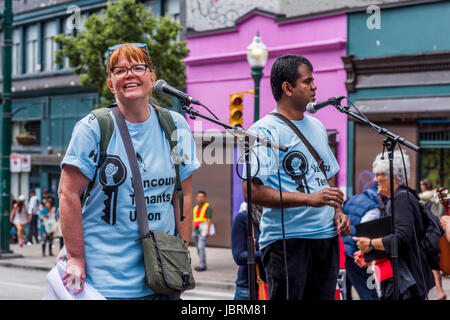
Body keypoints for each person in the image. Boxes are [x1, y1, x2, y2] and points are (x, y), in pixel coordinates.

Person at [58, 43, 200, 299]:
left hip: (162, 280)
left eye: (138, 67)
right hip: (106, 285)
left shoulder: (175, 125)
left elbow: (183, 195)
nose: (130, 74)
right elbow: (67, 194)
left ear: (152, 76)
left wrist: (181, 251)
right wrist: (75, 258)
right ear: (111, 84)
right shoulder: (93, 128)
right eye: (120, 70)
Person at [242, 54, 350, 300]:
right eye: (307, 81)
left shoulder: (318, 126)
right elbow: (252, 192)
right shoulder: (263, 130)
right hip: (287, 242)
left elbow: (327, 179)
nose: (314, 87)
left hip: (326, 239)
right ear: (287, 88)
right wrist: (309, 199)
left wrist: (338, 212)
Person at [353, 150, 435, 300]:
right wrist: (370, 256)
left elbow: (402, 238)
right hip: (399, 279)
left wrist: (371, 244)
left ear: (393, 178)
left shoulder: (402, 198)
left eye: (379, 175)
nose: (375, 179)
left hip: (405, 282)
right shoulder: (395, 199)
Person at [341, 182, 384, 300]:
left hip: (343, 249)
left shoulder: (354, 198)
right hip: (355, 253)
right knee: (369, 293)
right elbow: (365, 233)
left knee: (345, 292)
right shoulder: (373, 208)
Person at [231, 203, 266, 300]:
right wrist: (268, 254)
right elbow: (239, 257)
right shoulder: (243, 218)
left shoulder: (275, 218)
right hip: (248, 290)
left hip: (274, 286)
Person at [192, 190, 213, 272]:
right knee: (198, 247)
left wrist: (208, 230)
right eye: (198, 196)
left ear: (204, 198)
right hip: (196, 230)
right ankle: (201, 262)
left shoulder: (207, 207)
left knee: (201, 247)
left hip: (203, 230)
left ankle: (202, 265)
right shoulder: (195, 208)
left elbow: (209, 219)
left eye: (201, 197)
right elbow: (194, 219)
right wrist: (193, 229)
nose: (200, 198)